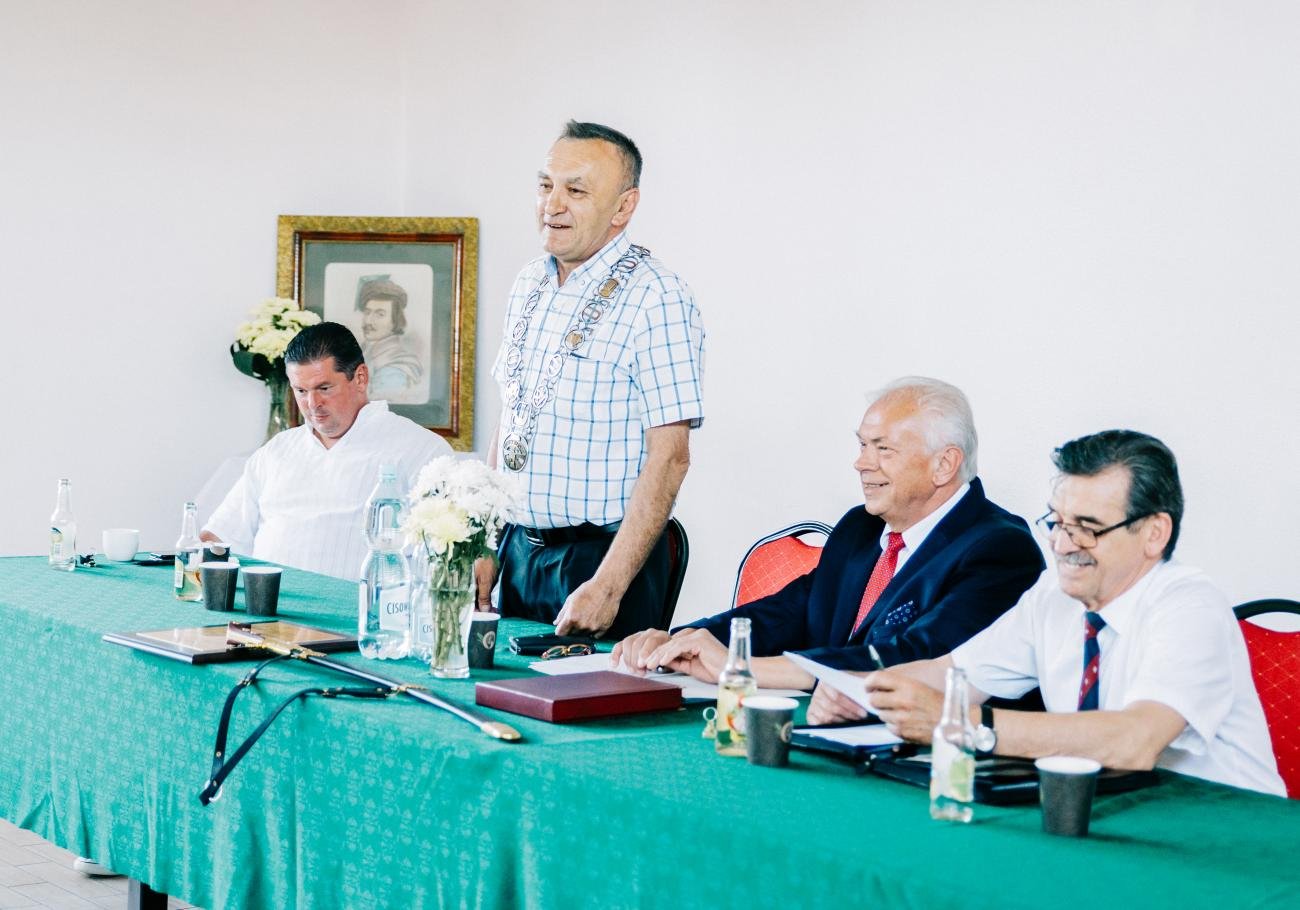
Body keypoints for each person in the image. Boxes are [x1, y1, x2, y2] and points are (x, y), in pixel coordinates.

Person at [812, 430, 1284, 796]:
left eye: (1087, 529)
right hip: (1110, 812)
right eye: (1057, 522)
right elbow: (953, 674)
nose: (1060, 545)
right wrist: (860, 691)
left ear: (1154, 533)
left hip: (1228, 833)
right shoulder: (1053, 597)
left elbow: (1134, 741)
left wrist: (968, 725)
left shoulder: (1189, 607)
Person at [613, 377, 1045, 689]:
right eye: (862, 445)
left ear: (944, 464)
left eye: (883, 449)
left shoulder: (1000, 549)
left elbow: (918, 659)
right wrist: (683, 642)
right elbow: (787, 612)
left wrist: (742, 667)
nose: (862, 463)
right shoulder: (861, 527)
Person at [486, 120, 705, 639]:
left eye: (576, 190)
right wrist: (484, 541)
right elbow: (511, 419)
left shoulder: (658, 297)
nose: (552, 204)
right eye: (545, 185)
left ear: (623, 207)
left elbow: (671, 457)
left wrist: (608, 586)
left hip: (601, 562)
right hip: (518, 551)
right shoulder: (528, 282)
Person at [204, 321, 450, 579]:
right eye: (301, 391)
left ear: (360, 378)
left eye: (324, 388)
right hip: (268, 602)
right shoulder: (276, 451)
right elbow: (220, 536)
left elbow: (449, 556)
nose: (312, 404)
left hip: (361, 603)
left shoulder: (422, 451)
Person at [354, 276, 425, 403]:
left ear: (395, 321)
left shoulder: (395, 368)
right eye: (367, 312)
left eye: (380, 314)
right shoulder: (363, 351)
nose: (368, 321)